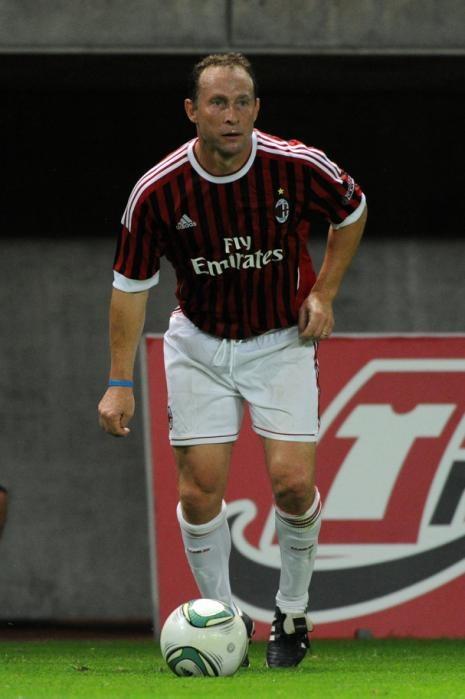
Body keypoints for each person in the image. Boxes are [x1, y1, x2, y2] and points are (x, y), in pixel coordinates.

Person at [98, 53, 367, 668]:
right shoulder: (158, 192)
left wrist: (323, 291)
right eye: (217, 103)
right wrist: (118, 381)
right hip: (198, 344)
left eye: (243, 101)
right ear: (192, 111)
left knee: (294, 484)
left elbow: (352, 211)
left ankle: (292, 610)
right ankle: (224, 623)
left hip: (280, 341)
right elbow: (128, 287)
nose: (232, 114)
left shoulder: (295, 165)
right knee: (198, 496)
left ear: (257, 108)